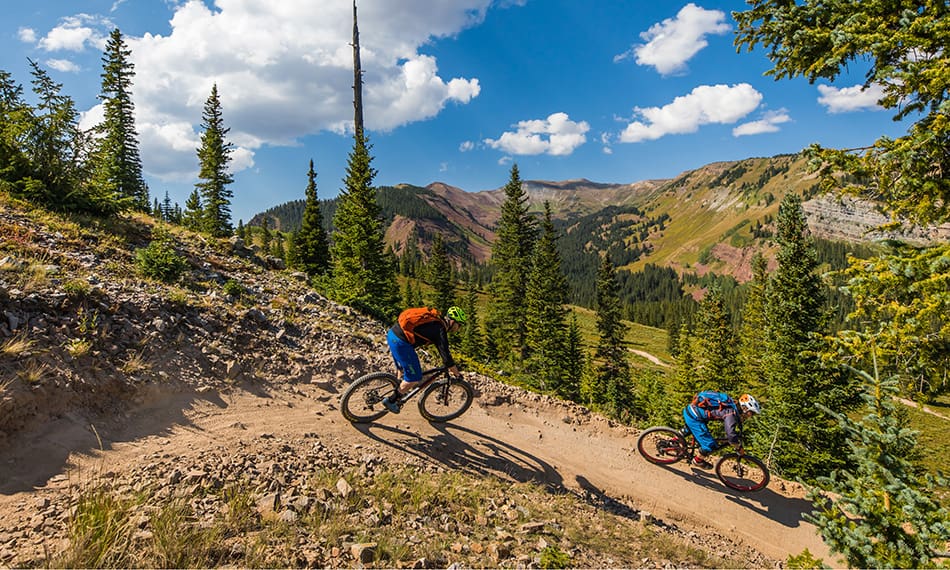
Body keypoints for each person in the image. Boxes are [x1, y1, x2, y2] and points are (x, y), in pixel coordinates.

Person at [382, 305, 466, 413]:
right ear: (452, 322)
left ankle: (400, 388)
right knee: (414, 377)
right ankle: (391, 400)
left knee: (405, 369)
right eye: (459, 325)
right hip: (400, 343)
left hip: (392, 334)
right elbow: (447, 357)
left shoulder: (434, 320)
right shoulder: (440, 330)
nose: (458, 328)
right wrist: (457, 374)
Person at [683, 391, 761, 469]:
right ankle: (697, 461)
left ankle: (675, 440)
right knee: (709, 444)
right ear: (745, 408)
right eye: (751, 413)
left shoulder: (732, 404)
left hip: (692, 410)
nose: (750, 416)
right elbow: (730, 434)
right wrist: (738, 447)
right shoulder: (731, 414)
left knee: (693, 429)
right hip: (694, 416)